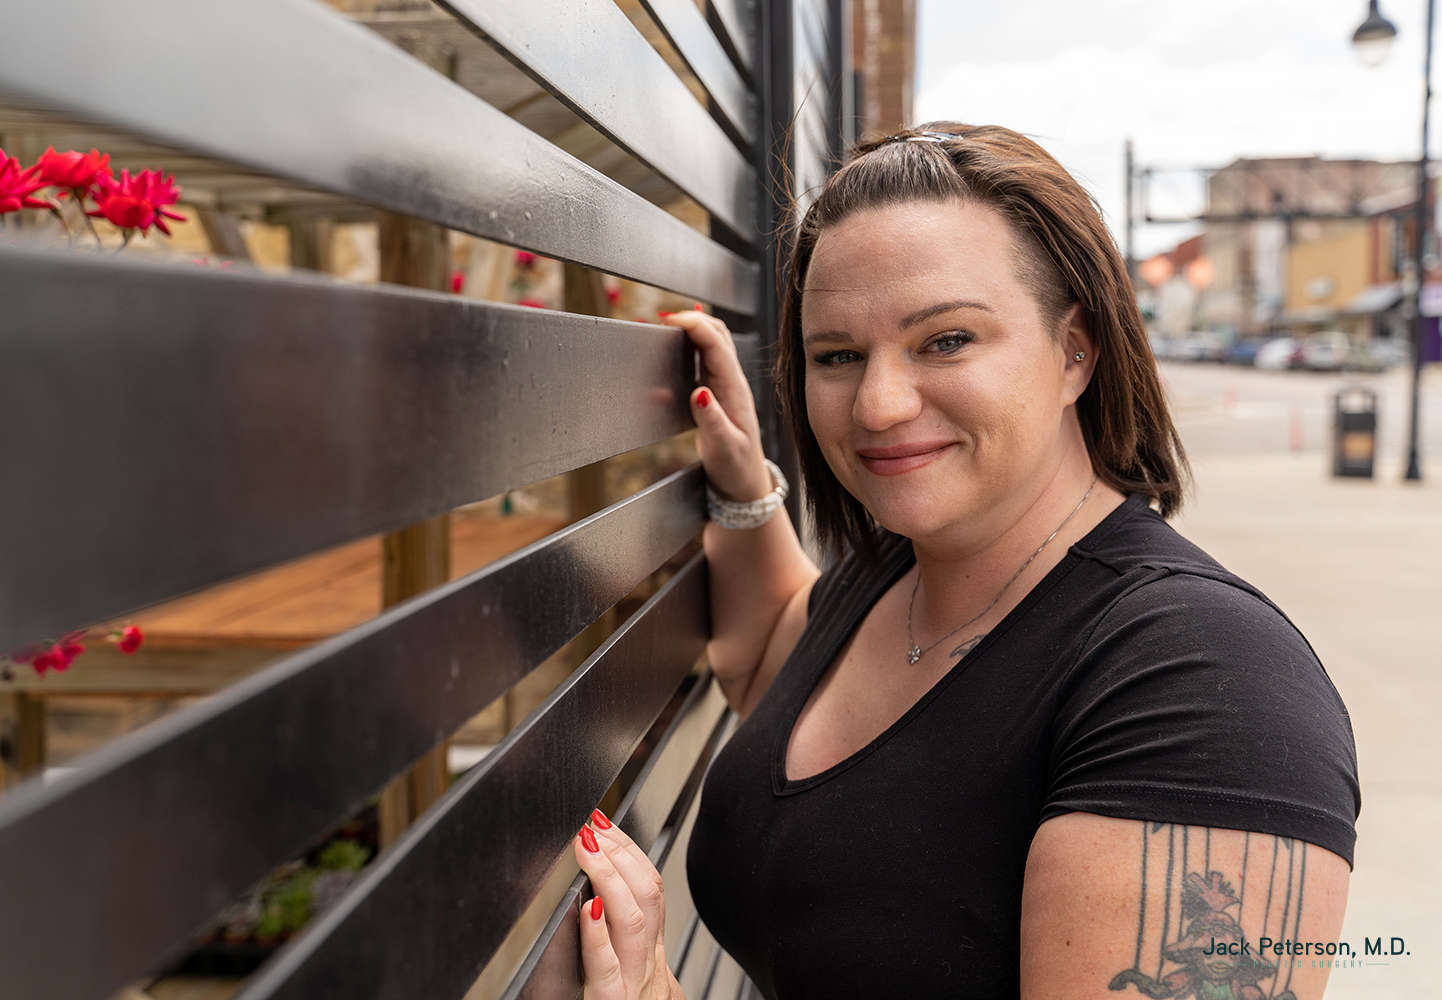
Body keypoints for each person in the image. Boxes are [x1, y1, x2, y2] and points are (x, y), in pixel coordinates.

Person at [568, 123, 1360, 999]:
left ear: (1075, 352)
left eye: (946, 340)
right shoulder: (895, 573)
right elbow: (764, 658)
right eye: (838, 355)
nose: (877, 404)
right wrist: (745, 477)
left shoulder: (1205, 685)